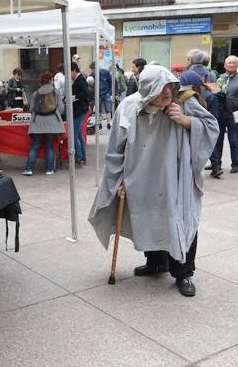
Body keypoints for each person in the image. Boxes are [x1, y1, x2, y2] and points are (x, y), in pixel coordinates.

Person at [89, 65, 219, 297]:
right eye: (160, 88)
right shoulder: (129, 106)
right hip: (141, 176)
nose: (167, 92)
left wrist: (187, 121)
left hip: (175, 176)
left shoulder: (184, 102)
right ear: (147, 89)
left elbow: (212, 127)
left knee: (181, 219)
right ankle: (156, 262)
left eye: (170, 86)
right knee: (149, 218)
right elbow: (115, 148)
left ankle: (184, 273)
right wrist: (116, 178)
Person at [179, 70, 220, 178]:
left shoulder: (188, 97)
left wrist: (188, 121)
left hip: (191, 140)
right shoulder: (195, 95)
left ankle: (216, 165)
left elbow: (211, 124)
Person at [23, 72, 64, 176]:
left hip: (37, 123)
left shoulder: (36, 93)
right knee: (49, 146)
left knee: (34, 146)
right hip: (52, 123)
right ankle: (49, 169)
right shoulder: (56, 92)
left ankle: (29, 169)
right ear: (51, 80)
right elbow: (61, 109)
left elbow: (31, 109)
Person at [212, 55, 238, 174]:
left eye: (233, 63)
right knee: (218, 139)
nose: (231, 65)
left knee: (234, 140)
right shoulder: (220, 78)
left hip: (234, 113)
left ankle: (235, 164)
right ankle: (217, 163)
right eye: (229, 63)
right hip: (221, 113)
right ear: (224, 65)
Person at [71, 62, 89, 166]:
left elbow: (85, 93)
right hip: (79, 109)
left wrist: (75, 97)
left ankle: (79, 157)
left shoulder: (80, 79)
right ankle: (82, 157)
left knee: (75, 135)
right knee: (78, 134)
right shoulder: (78, 79)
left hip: (79, 109)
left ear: (74, 70)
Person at [90, 61, 113, 130]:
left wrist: (110, 92)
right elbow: (91, 85)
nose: (93, 71)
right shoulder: (92, 75)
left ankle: (109, 124)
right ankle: (99, 124)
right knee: (98, 109)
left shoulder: (105, 72)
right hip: (97, 94)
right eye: (92, 70)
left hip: (106, 93)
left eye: (94, 69)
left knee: (108, 109)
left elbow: (111, 82)